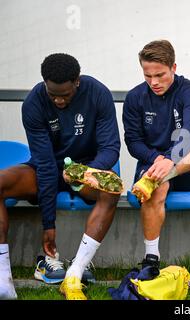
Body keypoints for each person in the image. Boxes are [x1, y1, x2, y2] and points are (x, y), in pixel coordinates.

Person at [0, 53, 121, 300]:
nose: (58, 100)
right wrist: (49, 225)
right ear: (44, 83)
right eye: (52, 93)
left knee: (111, 189)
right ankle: (3, 281)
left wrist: (82, 174)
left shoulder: (98, 93)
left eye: (64, 95)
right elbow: (44, 165)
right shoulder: (34, 103)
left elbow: (110, 148)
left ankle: (75, 273)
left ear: (77, 81)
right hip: (47, 170)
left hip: (85, 170)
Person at [123, 40, 190, 275]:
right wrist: (158, 159)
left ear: (173, 68)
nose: (154, 82)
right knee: (158, 184)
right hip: (153, 166)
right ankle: (151, 260)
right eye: (148, 76)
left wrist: (171, 161)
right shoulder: (135, 97)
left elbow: (189, 132)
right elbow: (133, 142)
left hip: (186, 169)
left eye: (160, 75)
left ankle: (165, 173)